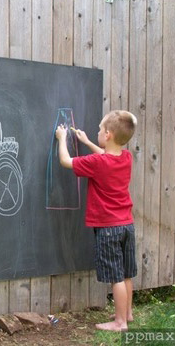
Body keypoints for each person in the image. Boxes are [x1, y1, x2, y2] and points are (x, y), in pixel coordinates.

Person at [55, 110, 138, 332]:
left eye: (100, 130)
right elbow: (105, 154)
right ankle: (127, 313)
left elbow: (65, 161)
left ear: (108, 134)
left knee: (116, 277)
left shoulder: (97, 163)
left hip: (108, 228)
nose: (98, 132)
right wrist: (88, 141)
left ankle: (119, 323)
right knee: (126, 273)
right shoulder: (126, 157)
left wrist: (62, 139)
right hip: (126, 224)